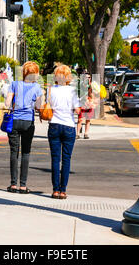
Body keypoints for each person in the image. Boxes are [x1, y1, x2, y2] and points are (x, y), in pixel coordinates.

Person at [4, 61, 44, 194]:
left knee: (14, 152)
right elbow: (39, 107)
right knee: (26, 152)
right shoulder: (37, 87)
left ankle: (13, 184)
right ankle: (23, 185)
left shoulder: (14, 84)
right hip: (28, 122)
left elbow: (7, 102)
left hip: (14, 120)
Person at [47, 65, 81, 199]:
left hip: (54, 124)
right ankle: (63, 190)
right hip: (68, 125)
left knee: (55, 159)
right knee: (66, 159)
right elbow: (78, 110)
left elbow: (47, 106)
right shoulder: (72, 91)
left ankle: (55, 189)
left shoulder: (51, 90)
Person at [76, 74, 96, 139]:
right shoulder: (81, 86)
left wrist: (92, 102)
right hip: (82, 104)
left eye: (89, 77)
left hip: (89, 104)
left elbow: (94, 95)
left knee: (88, 120)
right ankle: (77, 134)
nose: (87, 79)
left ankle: (86, 133)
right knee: (80, 119)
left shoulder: (92, 86)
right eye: (86, 77)